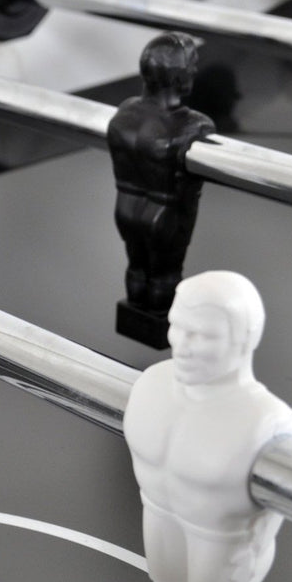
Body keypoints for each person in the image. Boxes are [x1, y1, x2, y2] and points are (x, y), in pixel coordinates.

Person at [123, 271, 292, 582]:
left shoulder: (266, 421)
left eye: (203, 335)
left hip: (223, 541)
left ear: (245, 338)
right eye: (177, 326)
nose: (182, 345)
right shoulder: (151, 385)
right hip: (158, 515)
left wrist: (256, 546)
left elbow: (273, 510)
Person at [107, 31, 215, 347]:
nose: (195, 71)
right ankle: (162, 333)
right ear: (178, 74)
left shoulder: (124, 113)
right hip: (166, 213)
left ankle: (135, 322)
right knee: (165, 275)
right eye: (192, 65)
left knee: (137, 267)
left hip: (125, 207)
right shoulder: (195, 125)